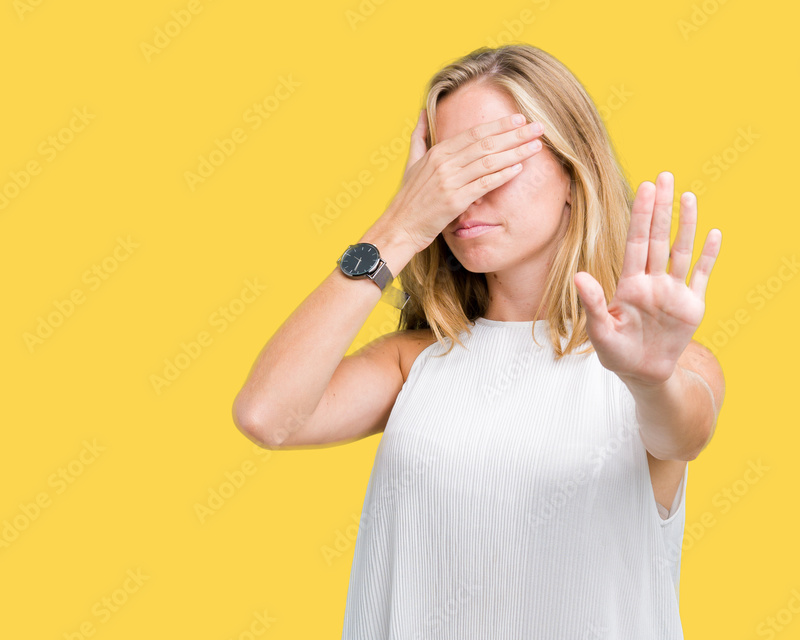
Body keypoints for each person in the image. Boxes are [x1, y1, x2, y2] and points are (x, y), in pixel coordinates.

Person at [231, 43, 725, 639]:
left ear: (572, 173)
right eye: (446, 171)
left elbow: (682, 432)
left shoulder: (662, 369)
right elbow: (266, 415)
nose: (465, 194)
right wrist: (398, 226)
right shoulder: (413, 362)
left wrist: (648, 378)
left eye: (492, 160)